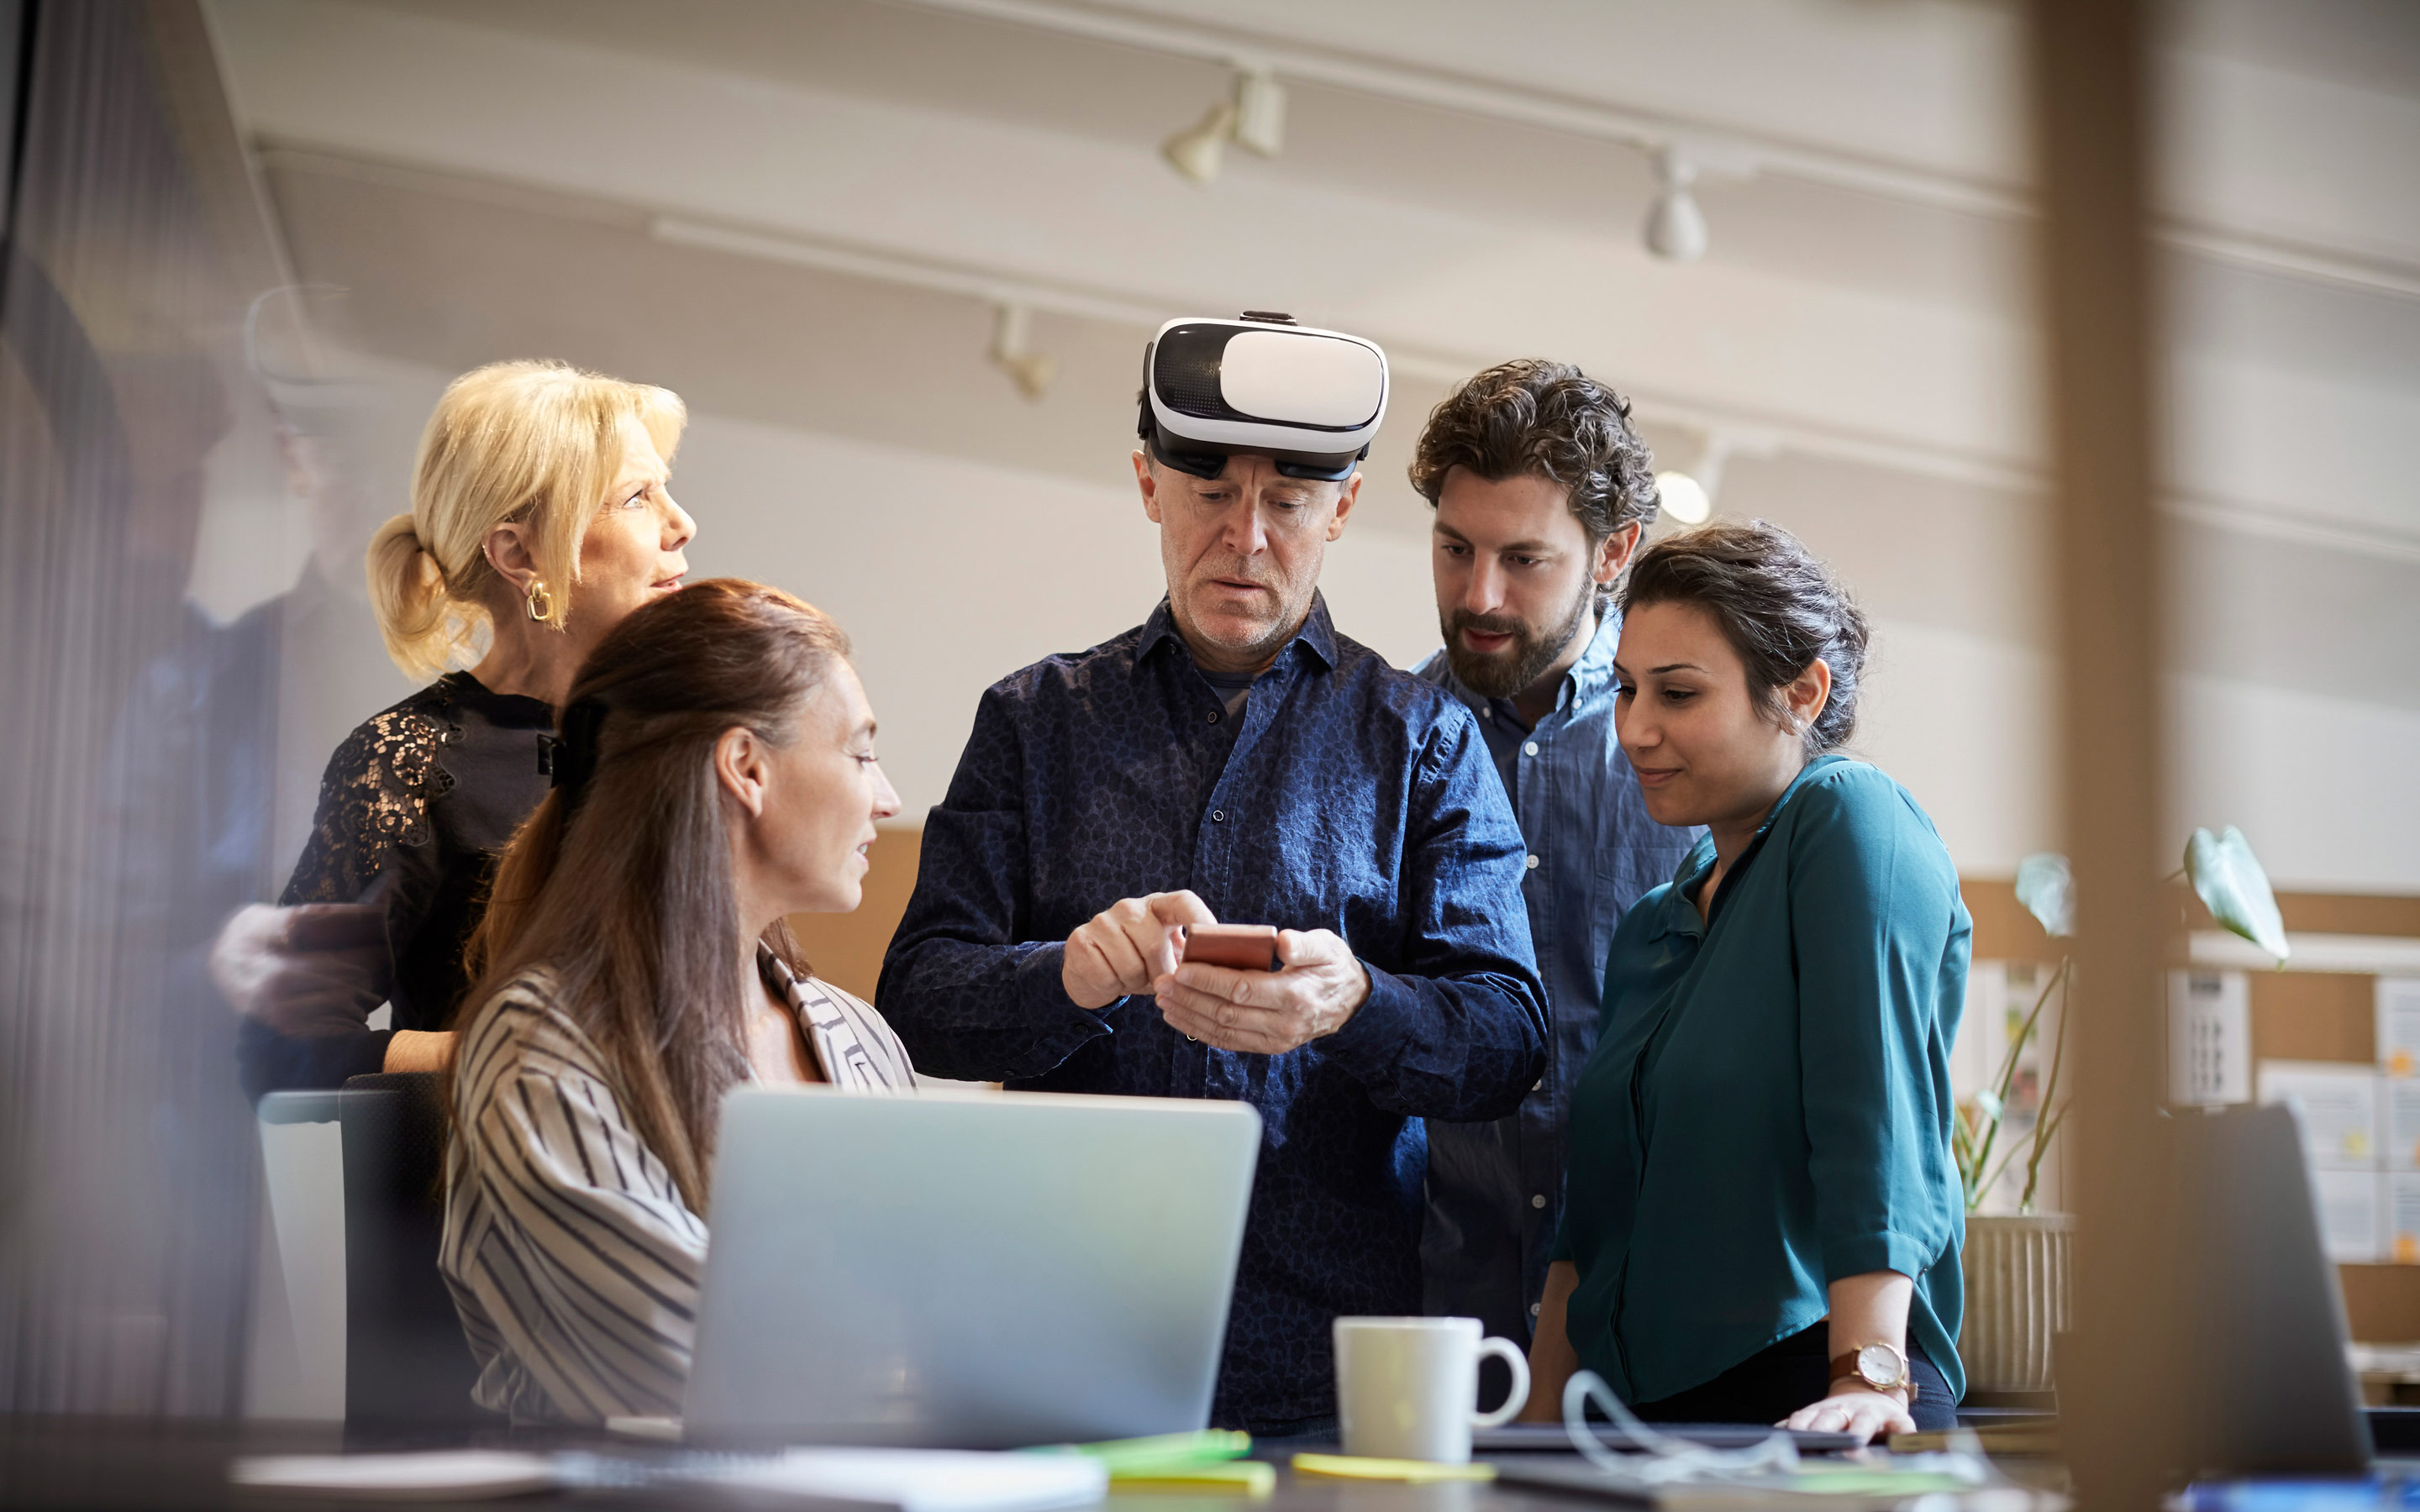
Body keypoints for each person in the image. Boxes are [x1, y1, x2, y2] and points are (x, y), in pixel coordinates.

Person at [878, 313, 1549, 1436]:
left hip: (1327, 1368)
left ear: (1342, 508)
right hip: (1057, 1340)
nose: (1246, 537)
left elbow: (1508, 1040)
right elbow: (916, 1000)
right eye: (1211, 493)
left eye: (1287, 501)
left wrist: (1356, 1002)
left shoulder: (1424, 740)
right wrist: (1068, 976)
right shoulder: (1033, 723)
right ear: (1150, 484)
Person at [1523, 521, 1968, 1444]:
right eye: (1627, 689)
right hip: (1634, 1421)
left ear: (1802, 693)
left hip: (1816, 1387)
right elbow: (1589, 1227)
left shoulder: (1848, 818)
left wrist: (1867, 1378)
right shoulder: (1652, 924)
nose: (1635, 729)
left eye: (1679, 693)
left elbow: (1874, 1113)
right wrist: (1529, 1431)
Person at [441, 579, 914, 1425]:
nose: (889, 798)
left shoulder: (862, 1035)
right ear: (746, 768)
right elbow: (687, 1367)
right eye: (861, 754)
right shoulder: (539, 1048)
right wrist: (966, 1374)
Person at [222, 359, 697, 1096]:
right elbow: (278, 1050)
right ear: (519, 554)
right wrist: (527, 1058)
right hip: (479, 1168)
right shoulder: (404, 761)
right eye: (638, 497)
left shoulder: (680, 740)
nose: (681, 523)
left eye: (664, 488)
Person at [1406, 360, 1702, 1378]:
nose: (1478, 596)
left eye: (1524, 559)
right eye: (1455, 549)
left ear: (1614, 552)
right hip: (1437, 1313)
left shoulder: (1694, 755)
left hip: (1651, 1319)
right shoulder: (1384, 747)